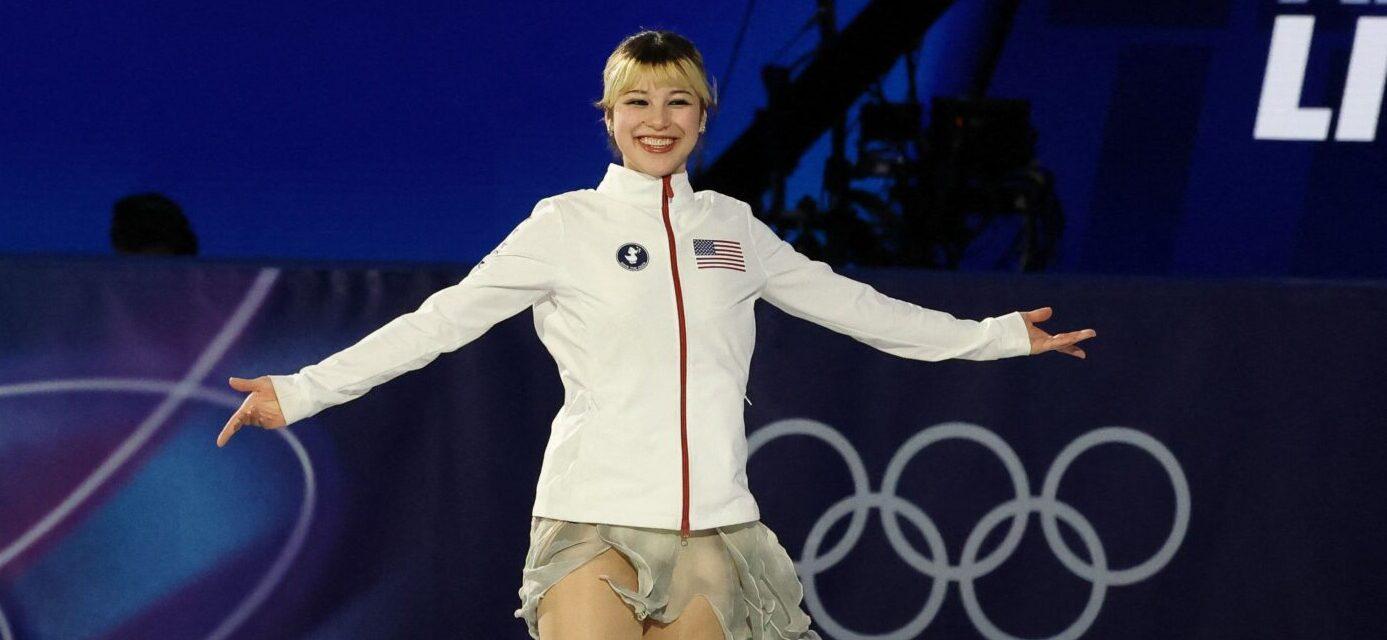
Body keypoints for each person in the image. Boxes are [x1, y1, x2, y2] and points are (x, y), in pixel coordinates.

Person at [216, 29, 1096, 640]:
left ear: (704, 117)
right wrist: (299, 391)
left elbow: (859, 309)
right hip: (592, 525)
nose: (658, 119)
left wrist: (997, 338)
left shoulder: (734, 228)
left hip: (715, 534)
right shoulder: (563, 225)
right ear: (607, 117)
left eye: (678, 101)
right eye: (636, 101)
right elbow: (438, 323)